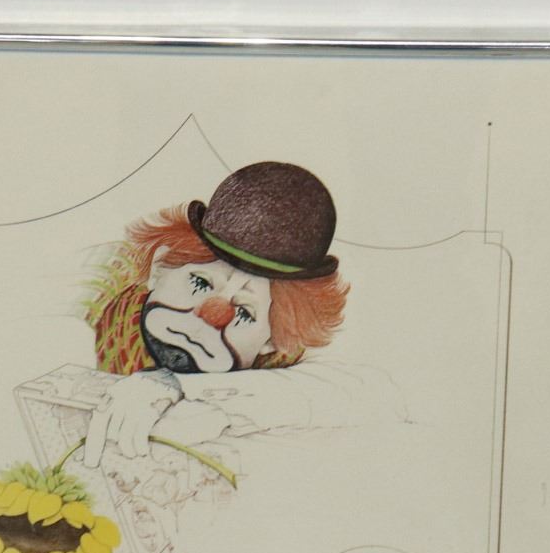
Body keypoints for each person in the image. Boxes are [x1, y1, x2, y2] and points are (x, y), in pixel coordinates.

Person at [81, 161, 351, 467]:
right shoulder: (93, 291)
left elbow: (364, 391)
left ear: (273, 340)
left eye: (245, 313)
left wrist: (180, 386)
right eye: (200, 283)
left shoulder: (297, 363)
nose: (211, 315)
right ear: (159, 268)